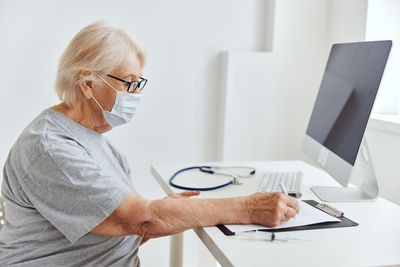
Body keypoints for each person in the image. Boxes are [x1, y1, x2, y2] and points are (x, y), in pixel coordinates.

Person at [0, 21, 299, 266]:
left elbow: (127, 225)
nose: (135, 94)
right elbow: (138, 221)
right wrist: (248, 208)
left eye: (138, 83)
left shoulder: (94, 140)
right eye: (128, 83)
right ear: (88, 84)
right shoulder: (51, 148)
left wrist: (162, 213)